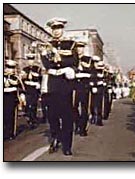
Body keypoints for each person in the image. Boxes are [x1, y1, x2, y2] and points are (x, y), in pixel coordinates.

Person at [39, 17, 77, 156]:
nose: (56, 31)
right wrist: (55, 64)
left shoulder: (71, 44)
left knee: (67, 115)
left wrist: (66, 67)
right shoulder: (47, 45)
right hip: (52, 82)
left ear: (63, 29)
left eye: (59, 28)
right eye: (54, 29)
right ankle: (56, 137)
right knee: (52, 115)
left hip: (66, 82)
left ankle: (67, 145)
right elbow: (46, 63)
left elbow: (74, 60)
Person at [73, 40, 91, 136]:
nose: (79, 49)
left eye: (81, 47)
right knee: (73, 107)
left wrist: (81, 73)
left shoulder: (87, 59)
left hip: (84, 86)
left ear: (83, 48)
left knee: (84, 108)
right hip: (74, 86)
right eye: (77, 47)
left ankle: (83, 128)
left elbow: (90, 72)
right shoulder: (73, 59)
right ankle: (77, 124)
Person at [22, 52, 42, 129]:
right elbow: (22, 80)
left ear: (34, 60)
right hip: (27, 89)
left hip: (34, 90)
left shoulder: (37, 69)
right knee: (28, 105)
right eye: (29, 60)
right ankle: (29, 118)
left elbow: (40, 79)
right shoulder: (25, 69)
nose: (30, 61)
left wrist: (38, 85)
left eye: (32, 60)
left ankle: (33, 119)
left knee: (33, 105)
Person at [89, 55, 104, 126]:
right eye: (94, 62)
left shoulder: (100, 69)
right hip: (91, 88)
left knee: (99, 104)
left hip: (99, 89)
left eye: (96, 62)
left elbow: (102, 78)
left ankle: (99, 119)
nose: (95, 63)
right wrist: (92, 85)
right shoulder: (90, 69)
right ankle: (93, 116)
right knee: (92, 104)